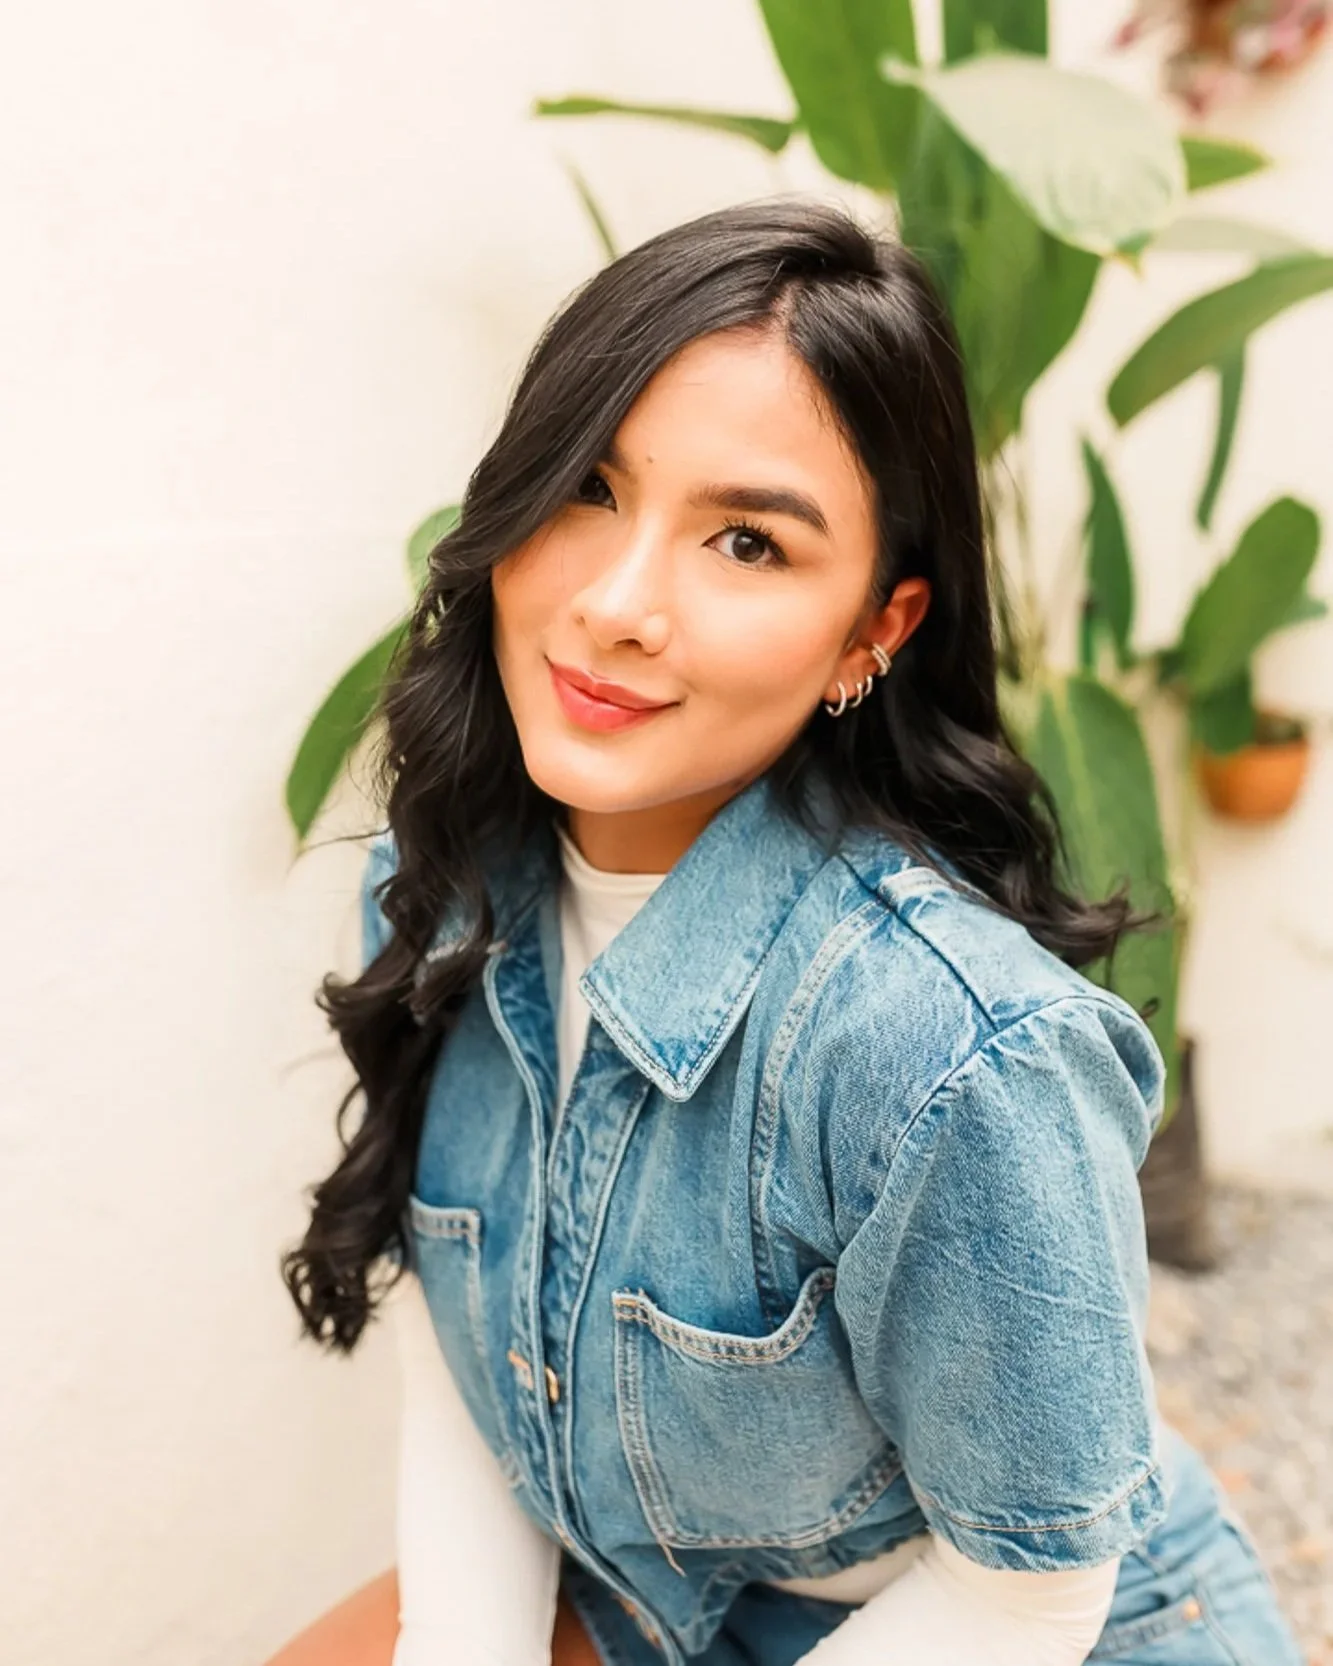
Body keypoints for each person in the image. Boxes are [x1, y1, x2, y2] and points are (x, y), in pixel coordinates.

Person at [270, 199, 1304, 1666]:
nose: (617, 606)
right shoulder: (439, 883)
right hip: (686, 1602)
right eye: (586, 489)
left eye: (747, 541)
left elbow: (1028, 1590)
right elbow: (479, 1351)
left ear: (874, 633)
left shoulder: (950, 1050)